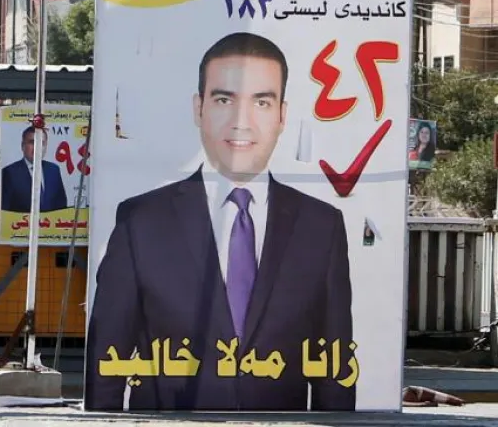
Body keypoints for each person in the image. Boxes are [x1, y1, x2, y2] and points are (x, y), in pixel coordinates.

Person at [85, 32, 355, 411]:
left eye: (261, 102)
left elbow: (336, 373)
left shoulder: (322, 228)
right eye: (224, 99)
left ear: (282, 115)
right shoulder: (141, 223)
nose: (241, 122)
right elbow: (105, 365)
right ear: (199, 109)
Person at [0, 125, 70, 213]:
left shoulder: (53, 170)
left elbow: (61, 204)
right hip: (22, 224)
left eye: (42, 143)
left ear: (45, 147)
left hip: (50, 224)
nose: (37, 147)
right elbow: (5, 209)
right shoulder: (9, 172)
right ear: (23, 146)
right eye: (32, 142)